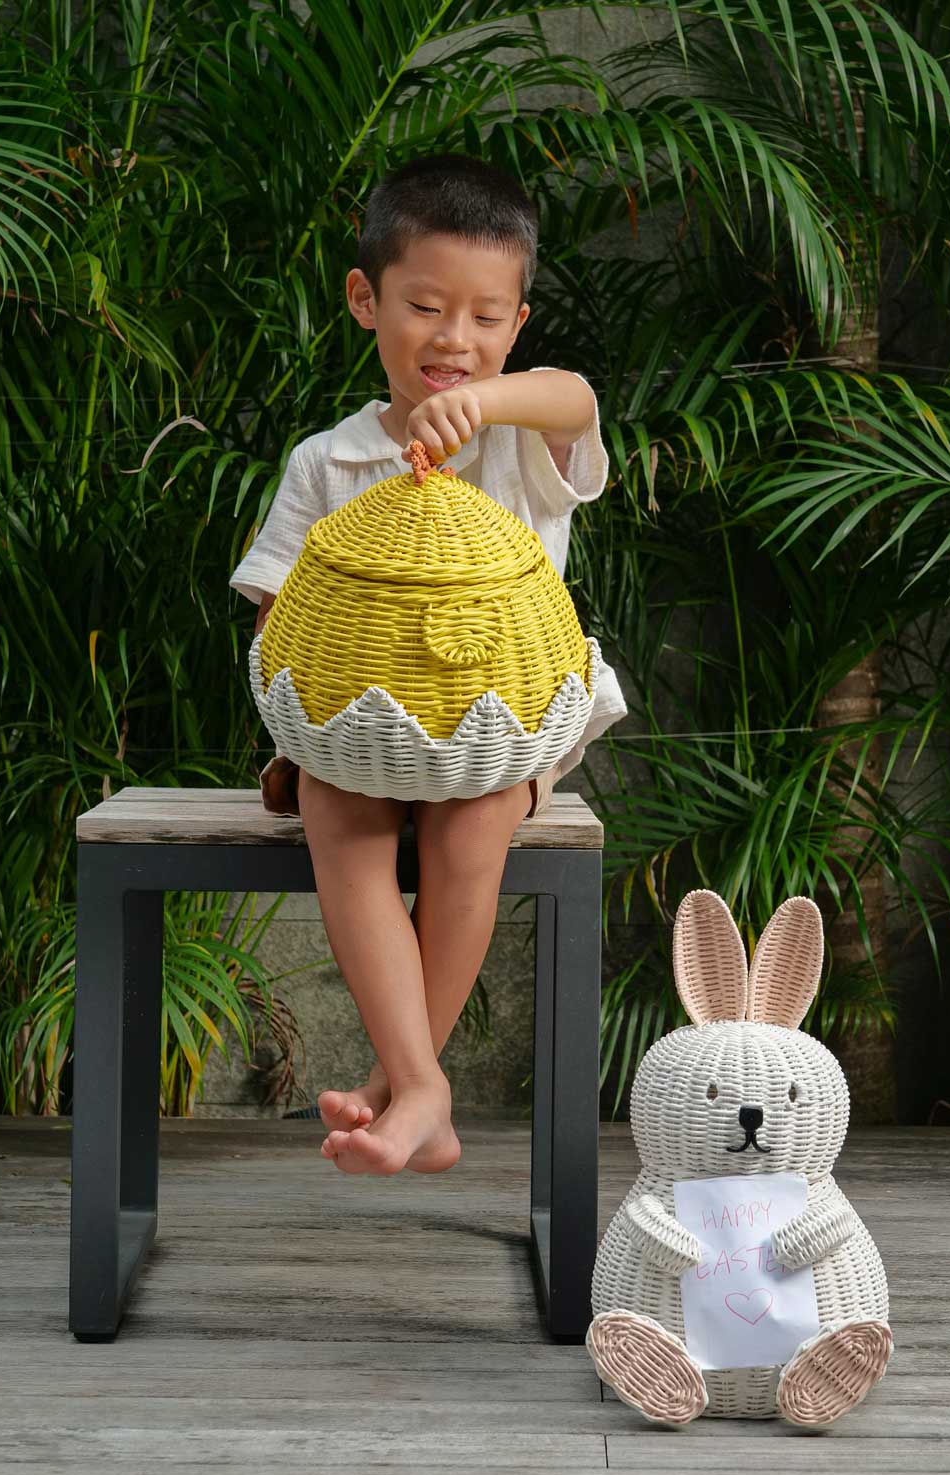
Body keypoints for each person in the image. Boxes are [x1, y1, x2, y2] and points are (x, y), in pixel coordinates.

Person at [229, 154, 625, 1177]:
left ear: (517, 326)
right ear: (367, 300)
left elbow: (575, 400)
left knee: (473, 818)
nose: (457, 339)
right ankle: (423, 1090)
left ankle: (404, 1083)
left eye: (487, 318)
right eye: (427, 306)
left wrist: (488, 409)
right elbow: (284, 610)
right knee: (336, 811)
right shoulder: (328, 462)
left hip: (505, 729)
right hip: (362, 741)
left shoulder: (522, 441)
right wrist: (315, 713)